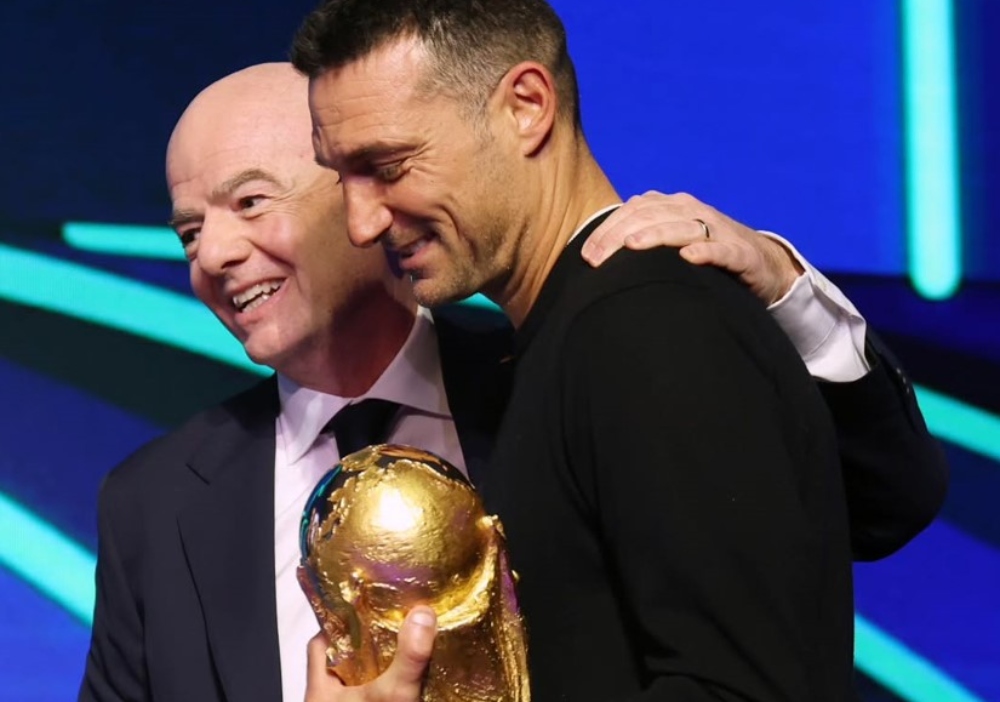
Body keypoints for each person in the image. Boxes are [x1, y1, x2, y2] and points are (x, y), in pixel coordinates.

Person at [78, 61, 945, 702]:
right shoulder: (151, 508)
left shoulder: (570, 370)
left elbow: (876, 505)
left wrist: (786, 290)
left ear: (358, 195)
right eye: (188, 232)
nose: (213, 254)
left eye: (250, 203)